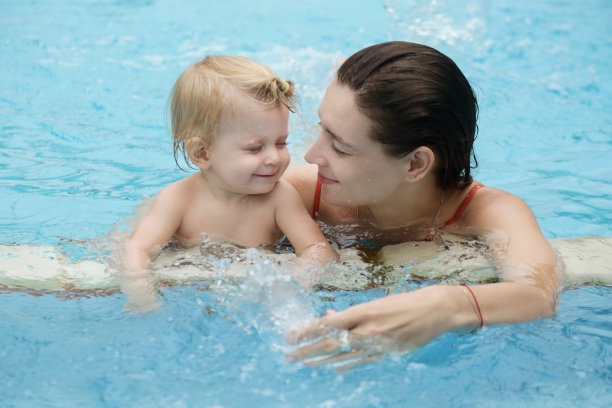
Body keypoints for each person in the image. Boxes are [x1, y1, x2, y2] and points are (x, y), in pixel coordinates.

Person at [283, 41, 560, 368]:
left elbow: (538, 296)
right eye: (321, 128)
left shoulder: (485, 211)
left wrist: (446, 305)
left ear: (415, 164)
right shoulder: (298, 192)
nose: (311, 155)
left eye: (340, 148)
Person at [121, 55, 337, 311]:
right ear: (203, 153)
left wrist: (293, 283)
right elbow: (137, 250)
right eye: (255, 148)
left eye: (281, 142)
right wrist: (142, 294)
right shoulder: (177, 200)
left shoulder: (280, 198)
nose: (274, 158)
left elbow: (318, 249)